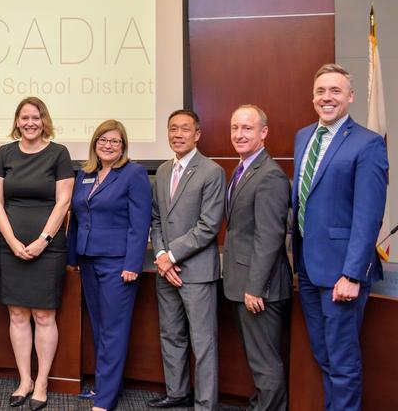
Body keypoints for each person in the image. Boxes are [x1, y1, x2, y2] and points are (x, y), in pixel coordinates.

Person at [292, 64, 388, 411]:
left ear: (350, 97)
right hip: (308, 268)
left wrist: (351, 274)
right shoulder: (303, 136)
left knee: (343, 363)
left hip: (342, 274)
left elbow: (368, 216)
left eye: (335, 91)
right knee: (325, 357)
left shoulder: (369, 143)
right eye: (321, 91)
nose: (326, 97)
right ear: (312, 96)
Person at [0, 96, 74, 411]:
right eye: (24, 118)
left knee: (43, 314)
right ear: (17, 121)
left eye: (35, 118)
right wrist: (10, 240)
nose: (29, 123)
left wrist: (43, 240)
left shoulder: (58, 154)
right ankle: (24, 380)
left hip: (48, 249)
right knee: (17, 314)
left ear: (44, 120)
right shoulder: (4, 153)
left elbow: (63, 202)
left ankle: (42, 383)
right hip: (11, 246)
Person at [66, 120, 151, 411]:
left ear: (123, 145)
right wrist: (72, 258)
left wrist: (132, 264)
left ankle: (106, 399)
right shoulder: (86, 174)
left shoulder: (134, 174)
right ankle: (105, 386)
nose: (108, 145)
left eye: (115, 141)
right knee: (100, 327)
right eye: (103, 140)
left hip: (118, 264)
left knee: (114, 330)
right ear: (95, 143)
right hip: (89, 261)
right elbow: (76, 216)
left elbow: (140, 225)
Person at [148, 109, 225, 410]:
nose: (177, 134)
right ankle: (177, 392)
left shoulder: (211, 171)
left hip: (196, 271)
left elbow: (209, 226)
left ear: (197, 134)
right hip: (166, 270)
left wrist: (172, 256)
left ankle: (205, 404)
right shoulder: (164, 170)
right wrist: (161, 255)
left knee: (203, 342)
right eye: (172, 129)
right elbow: (156, 219)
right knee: (171, 334)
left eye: (184, 129)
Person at [223, 105, 292, 411]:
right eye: (235, 127)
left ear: (264, 133)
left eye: (247, 128)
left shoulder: (270, 176)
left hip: (259, 288)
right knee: (258, 358)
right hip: (245, 282)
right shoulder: (244, 169)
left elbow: (270, 237)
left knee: (265, 362)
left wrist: (254, 287)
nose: (240, 134)